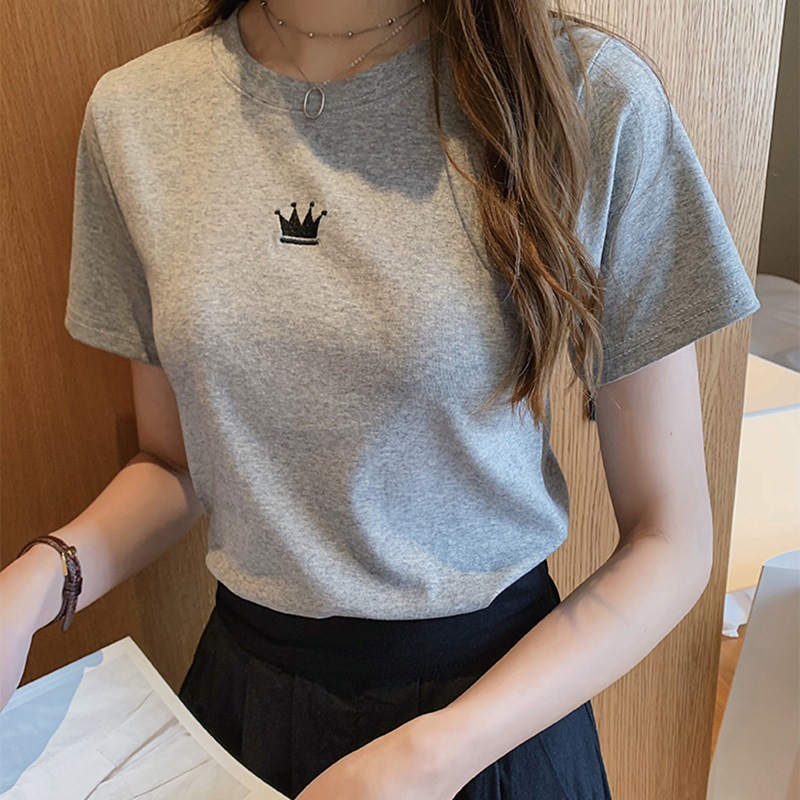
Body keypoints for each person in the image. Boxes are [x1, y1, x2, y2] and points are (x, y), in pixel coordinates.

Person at [0, 0, 761, 797]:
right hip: (244, 707)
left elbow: (671, 542)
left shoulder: (587, 96)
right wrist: (40, 581)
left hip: (496, 721)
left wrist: (438, 753)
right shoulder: (137, 114)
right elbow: (173, 462)